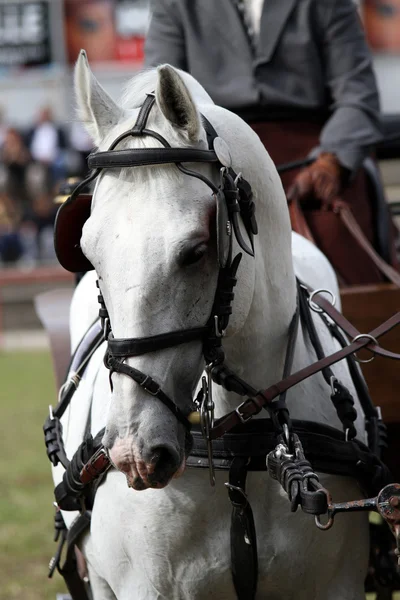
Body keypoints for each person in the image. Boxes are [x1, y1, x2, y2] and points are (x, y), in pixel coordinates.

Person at [144, 0, 400, 285]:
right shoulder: (175, 5)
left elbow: (358, 97)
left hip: (315, 155)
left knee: (336, 231)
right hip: (214, 153)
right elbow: (162, 97)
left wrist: (332, 161)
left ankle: (359, 313)